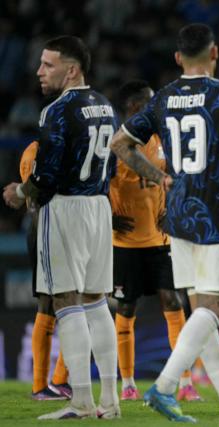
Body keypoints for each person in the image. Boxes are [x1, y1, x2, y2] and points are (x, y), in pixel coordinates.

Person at [110, 23, 219, 422]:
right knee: (214, 308)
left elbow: (119, 144)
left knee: (201, 308)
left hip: (177, 213)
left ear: (177, 58)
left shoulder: (163, 96)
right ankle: (165, 387)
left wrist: (157, 176)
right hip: (214, 213)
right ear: (215, 53)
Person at [3, 36, 120, 419]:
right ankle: (111, 401)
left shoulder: (57, 110)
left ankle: (82, 401)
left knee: (64, 301)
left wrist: (21, 192)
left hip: (66, 208)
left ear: (71, 70)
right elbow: (113, 166)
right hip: (100, 206)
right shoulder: (105, 105)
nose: (39, 71)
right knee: (97, 301)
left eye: (48, 64)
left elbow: (47, 174)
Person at [109, 80, 201, 402]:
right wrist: (107, 215)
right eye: (148, 104)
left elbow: (177, 180)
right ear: (134, 107)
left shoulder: (162, 139)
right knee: (126, 307)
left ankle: (185, 381)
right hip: (125, 242)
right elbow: (93, 186)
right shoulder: (114, 144)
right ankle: (128, 383)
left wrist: (172, 210)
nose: (154, 109)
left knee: (173, 301)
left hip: (161, 240)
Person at [19, 141, 71, 401]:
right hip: (47, 227)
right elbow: (36, 193)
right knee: (53, 304)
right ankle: (44, 384)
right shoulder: (50, 151)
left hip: (45, 227)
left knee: (65, 303)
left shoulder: (31, 150)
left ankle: (57, 381)